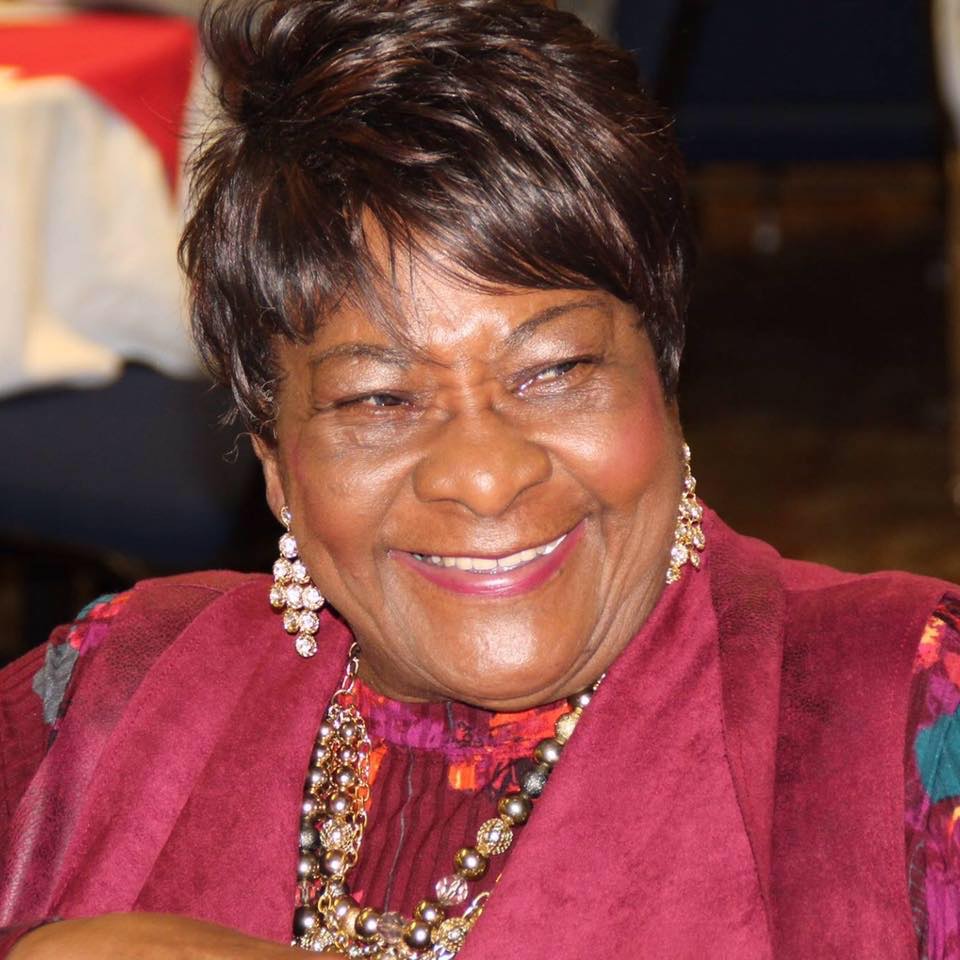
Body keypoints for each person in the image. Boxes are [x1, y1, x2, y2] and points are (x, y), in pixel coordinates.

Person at [0, 1, 957, 957]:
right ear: (277, 466)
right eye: (379, 400)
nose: (487, 477)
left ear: (661, 386)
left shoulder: (902, 712)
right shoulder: (113, 701)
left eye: (555, 371)